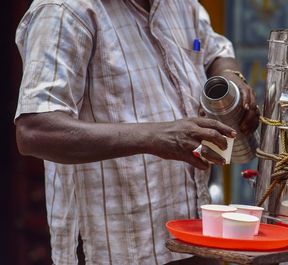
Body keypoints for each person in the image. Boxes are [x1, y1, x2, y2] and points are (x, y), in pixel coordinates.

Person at [14, 0, 259, 264]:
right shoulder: (64, 9)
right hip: (114, 251)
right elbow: (35, 130)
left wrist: (232, 78)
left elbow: (216, 51)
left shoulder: (180, 4)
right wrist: (155, 138)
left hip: (192, 241)